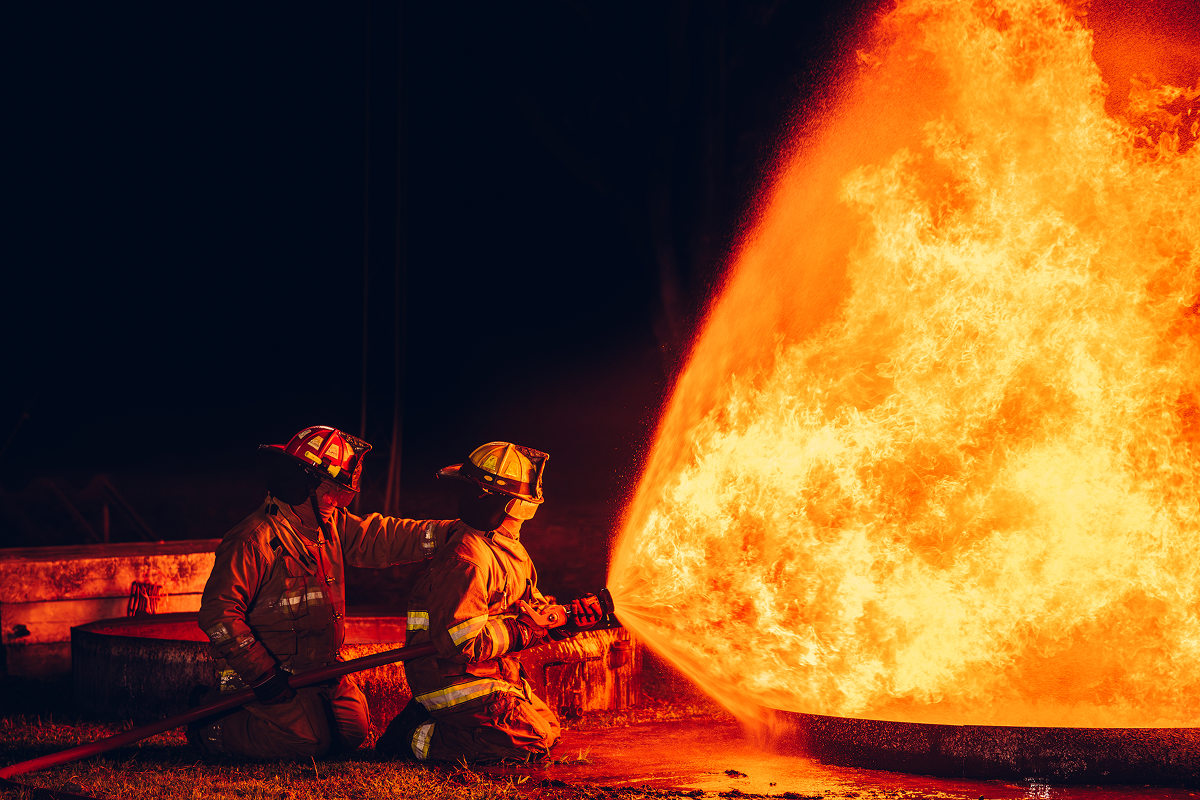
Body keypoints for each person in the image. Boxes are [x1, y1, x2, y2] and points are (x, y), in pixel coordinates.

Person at [188, 425, 455, 760]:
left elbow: (383, 537)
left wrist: (449, 533)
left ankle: (303, 717)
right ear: (303, 486)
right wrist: (263, 676)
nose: (338, 503)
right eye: (333, 493)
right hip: (268, 674)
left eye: (343, 495)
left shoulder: (327, 526)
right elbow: (219, 615)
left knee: (353, 730)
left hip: (318, 670)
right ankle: (210, 727)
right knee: (308, 742)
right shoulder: (252, 541)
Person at [375, 441, 601, 762]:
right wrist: (524, 630)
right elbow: (460, 642)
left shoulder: (511, 551)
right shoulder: (468, 560)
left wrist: (564, 619)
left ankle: (438, 723)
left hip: (494, 675)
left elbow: (530, 612)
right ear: (514, 505)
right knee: (531, 741)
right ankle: (412, 737)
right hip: (453, 680)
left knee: (549, 730)